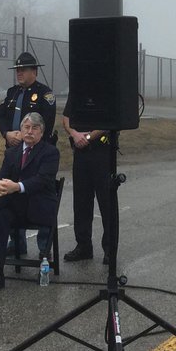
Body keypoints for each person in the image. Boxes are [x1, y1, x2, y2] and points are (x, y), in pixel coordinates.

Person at [0, 111, 60, 293]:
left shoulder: (50, 152)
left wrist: (16, 187)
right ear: (20, 130)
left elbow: (42, 181)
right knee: (0, 216)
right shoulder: (11, 152)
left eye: (35, 128)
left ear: (41, 132)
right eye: (26, 127)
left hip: (38, 207)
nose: (29, 131)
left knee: (6, 199)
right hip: (13, 208)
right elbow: (1, 177)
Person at [0, 51, 57, 257]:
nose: (19, 73)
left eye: (23, 70)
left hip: (37, 153)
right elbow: (0, 116)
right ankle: (17, 243)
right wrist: (7, 133)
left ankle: (44, 247)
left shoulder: (45, 94)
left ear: (34, 71)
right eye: (17, 70)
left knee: (39, 195)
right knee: (13, 194)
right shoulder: (12, 93)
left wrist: (23, 136)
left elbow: (46, 124)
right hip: (13, 151)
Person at [62, 98, 114, 265]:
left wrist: (89, 137)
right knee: (81, 201)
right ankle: (83, 246)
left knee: (106, 202)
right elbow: (66, 117)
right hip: (81, 151)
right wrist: (75, 135)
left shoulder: (106, 90)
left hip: (102, 152)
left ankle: (110, 249)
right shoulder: (78, 90)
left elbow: (110, 120)